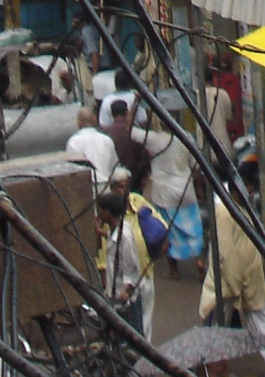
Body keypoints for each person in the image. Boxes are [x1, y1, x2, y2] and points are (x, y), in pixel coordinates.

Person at [199, 193, 265, 373]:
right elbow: (224, 251)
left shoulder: (242, 209)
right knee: (219, 318)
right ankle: (209, 360)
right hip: (230, 279)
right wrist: (234, 283)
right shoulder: (224, 212)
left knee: (259, 311)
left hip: (248, 276)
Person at [97, 183, 156, 342]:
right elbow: (112, 238)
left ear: (107, 213)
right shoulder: (118, 230)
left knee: (133, 341)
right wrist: (101, 232)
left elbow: (131, 269)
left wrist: (126, 291)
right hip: (114, 297)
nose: (98, 215)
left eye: (100, 211)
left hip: (125, 302)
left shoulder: (125, 238)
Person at [144, 123, 203, 277]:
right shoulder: (187, 137)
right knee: (194, 230)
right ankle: (199, 261)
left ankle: (174, 270)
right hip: (186, 190)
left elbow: (129, 130)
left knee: (168, 231)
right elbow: (196, 166)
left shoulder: (154, 138)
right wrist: (199, 189)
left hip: (164, 195)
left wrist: (136, 102)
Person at [65, 104, 121, 190]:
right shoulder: (106, 140)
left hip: (85, 189)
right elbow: (114, 167)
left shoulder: (74, 142)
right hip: (105, 187)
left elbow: (71, 170)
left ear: (78, 122)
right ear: (95, 119)